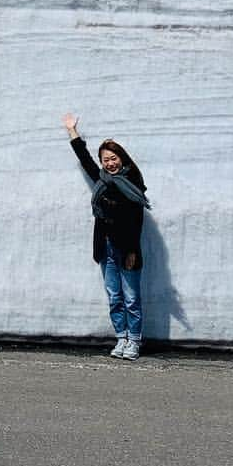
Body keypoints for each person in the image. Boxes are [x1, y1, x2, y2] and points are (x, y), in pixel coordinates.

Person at [62, 113, 148, 360]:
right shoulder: (102, 179)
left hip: (127, 249)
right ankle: (121, 338)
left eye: (113, 158)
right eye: (105, 160)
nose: (109, 163)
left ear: (121, 158)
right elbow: (84, 158)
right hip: (106, 248)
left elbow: (136, 221)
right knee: (114, 296)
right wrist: (72, 131)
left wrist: (132, 251)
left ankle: (134, 342)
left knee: (131, 298)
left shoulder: (132, 181)